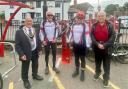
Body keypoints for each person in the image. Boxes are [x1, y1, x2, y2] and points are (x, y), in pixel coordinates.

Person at [15, 16, 43, 89]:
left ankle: (35, 75)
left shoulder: (35, 30)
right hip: (25, 53)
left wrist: (40, 49)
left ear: (32, 22)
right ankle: (25, 80)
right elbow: (17, 45)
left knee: (35, 64)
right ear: (25, 22)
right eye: (27, 21)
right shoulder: (19, 32)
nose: (29, 22)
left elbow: (38, 40)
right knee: (25, 68)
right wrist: (21, 54)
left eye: (30, 21)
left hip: (35, 51)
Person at [91, 11, 115, 87]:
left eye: (102, 16)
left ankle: (106, 78)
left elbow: (113, 37)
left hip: (106, 48)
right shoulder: (94, 25)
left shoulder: (110, 25)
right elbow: (92, 36)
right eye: (99, 16)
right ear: (97, 17)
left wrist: (104, 45)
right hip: (97, 47)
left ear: (105, 17)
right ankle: (97, 73)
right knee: (97, 63)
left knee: (106, 65)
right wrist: (97, 44)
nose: (100, 17)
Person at [68, 11, 91, 81]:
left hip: (82, 45)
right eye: (78, 18)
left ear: (83, 19)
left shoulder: (85, 25)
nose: (79, 19)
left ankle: (83, 73)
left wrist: (87, 45)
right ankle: (77, 71)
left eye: (81, 18)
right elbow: (71, 34)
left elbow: (87, 36)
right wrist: (69, 41)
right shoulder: (73, 25)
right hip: (75, 45)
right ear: (76, 18)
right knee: (76, 58)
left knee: (83, 59)